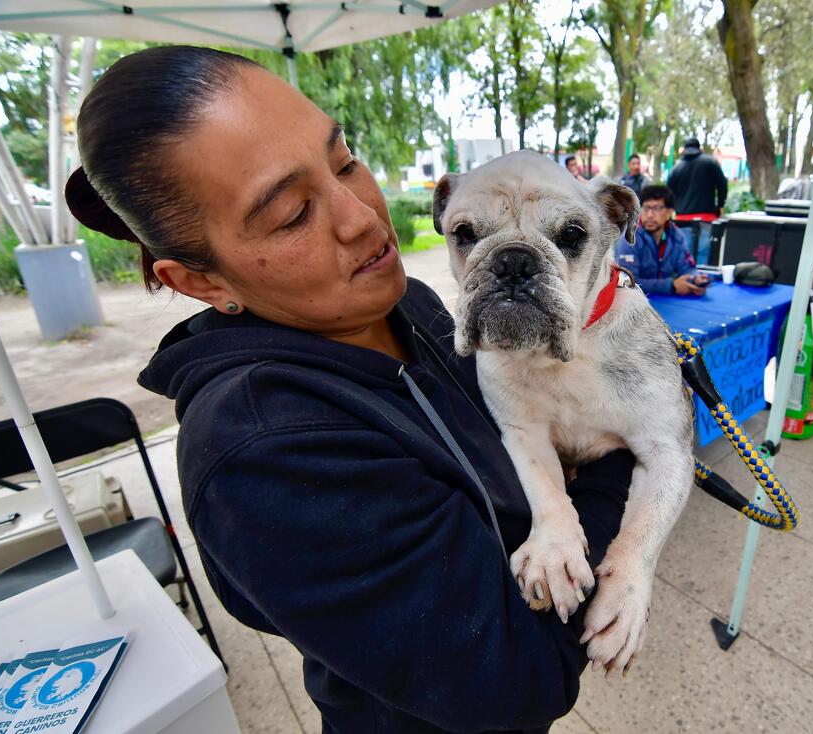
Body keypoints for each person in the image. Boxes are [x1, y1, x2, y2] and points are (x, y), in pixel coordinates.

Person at [66, 46, 634, 734]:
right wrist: (626, 461)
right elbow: (518, 672)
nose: (362, 216)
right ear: (202, 282)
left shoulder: (407, 305)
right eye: (291, 214)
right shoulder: (265, 454)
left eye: (343, 161)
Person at [613, 184, 708, 296]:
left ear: (669, 212)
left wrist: (695, 279)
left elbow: (686, 267)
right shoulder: (629, 238)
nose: (650, 215)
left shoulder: (676, 236)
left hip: (666, 301)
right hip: (634, 302)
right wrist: (671, 286)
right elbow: (627, 282)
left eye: (656, 209)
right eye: (645, 208)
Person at [666, 138, 727, 264]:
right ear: (699, 148)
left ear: (684, 149)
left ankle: (688, 281)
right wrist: (720, 204)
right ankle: (701, 280)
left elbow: (668, 194)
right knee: (703, 255)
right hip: (706, 217)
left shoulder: (676, 168)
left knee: (686, 256)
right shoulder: (710, 162)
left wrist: (671, 210)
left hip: (683, 219)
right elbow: (722, 184)